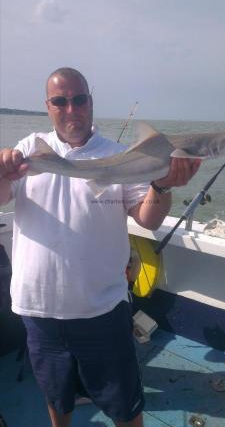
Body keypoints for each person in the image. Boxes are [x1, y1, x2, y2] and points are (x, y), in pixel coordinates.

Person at [0, 67, 201, 427]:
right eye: (60, 101)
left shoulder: (122, 155)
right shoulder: (30, 149)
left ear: (90, 102)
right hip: (38, 311)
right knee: (56, 397)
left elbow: (148, 219)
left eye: (79, 99)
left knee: (124, 404)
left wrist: (163, 186)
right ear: (48, 106)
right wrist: (1, 171)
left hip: (101, 311)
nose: (71, 109)